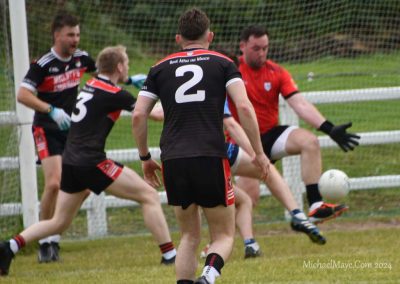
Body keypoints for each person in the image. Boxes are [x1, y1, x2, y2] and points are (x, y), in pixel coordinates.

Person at [0, 45, 177, 277]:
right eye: (127, 65)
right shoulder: (115, 94)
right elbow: (153, 114)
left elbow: (109, 93)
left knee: (59, 222)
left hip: (71, 162)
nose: (128, 69)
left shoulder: (91, 84)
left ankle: (9, 247)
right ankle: (170, 256)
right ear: (120, 67)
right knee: (149, 195)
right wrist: (170, 96)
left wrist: (130, 83)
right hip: (90, 161)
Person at [132, 8, 269, 284]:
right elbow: (243, 106)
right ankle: (208, 276)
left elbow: (138, 114)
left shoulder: (158, 68)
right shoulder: (224, 63)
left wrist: (145, 157)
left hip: (173, 158)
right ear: (210, 35)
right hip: (210, 155)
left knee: (189, 236)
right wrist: (259, 153)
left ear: (178, 38)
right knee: (223, 235)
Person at [228, 25, 361, 223]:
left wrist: (329, 128)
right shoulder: (231, 70)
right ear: (242, 46)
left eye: (265, 48)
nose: (262, 53)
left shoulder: (277, 72)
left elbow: (299, 103)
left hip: (271, 135)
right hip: (244, 143)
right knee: (248, 200)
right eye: (256, 48)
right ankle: (216, 243)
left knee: (309, 142)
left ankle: (315, 206)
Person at [16, 11, 96, 262]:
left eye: (78, 34)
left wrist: (126, 80)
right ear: (57, 35)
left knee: (85, 187)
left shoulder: (82, 58)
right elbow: (23, 95)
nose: (75, 39)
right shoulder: (42, 65)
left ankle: (54, 234)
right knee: (53, 183)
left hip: (72, 131)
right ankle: (45, 242)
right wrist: (51, 110)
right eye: (71, 35)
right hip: (46, 129)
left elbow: (102, 77)